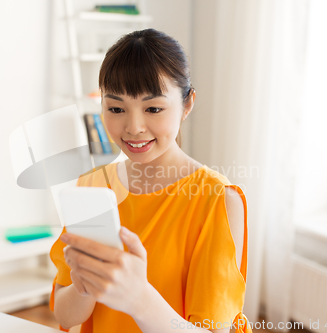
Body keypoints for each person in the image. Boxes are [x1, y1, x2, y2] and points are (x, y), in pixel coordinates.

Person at [49, 28, 252, 333]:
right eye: (116, 109)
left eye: (153, 108)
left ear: (187, 104)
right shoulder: (92, 187)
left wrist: (138, 299)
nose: (133, 127)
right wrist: (83, 286)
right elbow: (65, 317)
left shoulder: (218, 200)